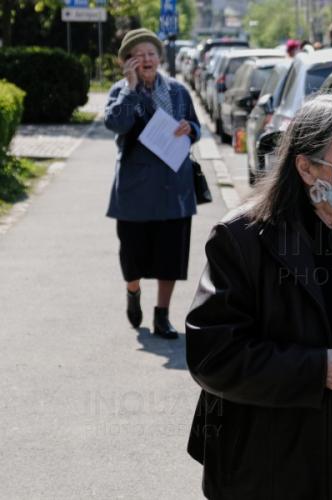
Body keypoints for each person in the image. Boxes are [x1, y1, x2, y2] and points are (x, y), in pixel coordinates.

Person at [185, 94, 332, 499]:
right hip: (285, 463)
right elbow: (213, 356)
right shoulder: (245, 238)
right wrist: (315, 370)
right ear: (307, 168)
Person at [104, 28, 200, 339]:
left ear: (159, 58)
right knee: (132, 255)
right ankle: (133, 290)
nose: (147, 59)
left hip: (174, 187)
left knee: (169, 256)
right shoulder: (121, 91)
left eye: (151, 53)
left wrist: (191, 128)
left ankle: (162, 315)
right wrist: (131, 89)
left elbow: (196, 125)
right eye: (139, 54)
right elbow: (116, 123)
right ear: (128, 61)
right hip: (135, 191)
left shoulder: (177, 91)